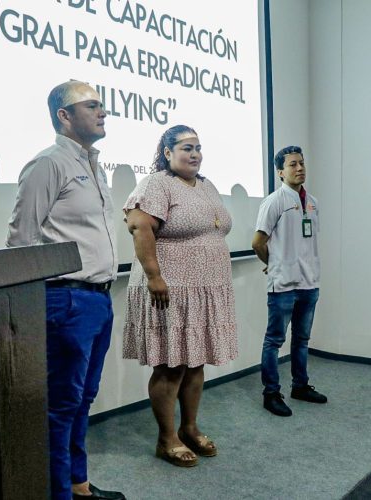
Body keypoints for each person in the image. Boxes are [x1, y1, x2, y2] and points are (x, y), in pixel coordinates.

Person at [6, 80, 125, 500]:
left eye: (101, 105)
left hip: (98, 298)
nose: (103, 111)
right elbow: (21, 240)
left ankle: (79, 486)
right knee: (61, 407)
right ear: (64, 115)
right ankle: (58, 493)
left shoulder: (94, 164)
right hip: (66, 299)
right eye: (92, 105)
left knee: (83, 400)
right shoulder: (47, 164)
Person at [122, 125, 237, 467]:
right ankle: (166, 438)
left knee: (195, 362)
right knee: (171, 365)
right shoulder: (157, 183)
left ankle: (189, 427)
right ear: (168, 152)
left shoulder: (207, 185)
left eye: (198, 147)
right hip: (170, 290)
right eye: (186, 147)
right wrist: (154, 276)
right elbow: (139, 227)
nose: (195, 153)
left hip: (205, 290)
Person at [252, 145, 328, 417]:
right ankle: (271, 393)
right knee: (274, 341)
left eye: (302, 163)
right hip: (283, 285)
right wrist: (272, 264)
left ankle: (301, 386)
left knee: (302, 339)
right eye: (293, 164)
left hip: (309, 284)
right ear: (280, 172)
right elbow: (258, 242)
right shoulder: (275, 201)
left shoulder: (313, 202)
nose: (300, 168)